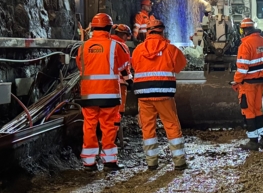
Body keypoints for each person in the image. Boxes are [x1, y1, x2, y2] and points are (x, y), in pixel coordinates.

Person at [76, 13, 132, 170]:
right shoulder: (115, 46)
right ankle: (109, 161)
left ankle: (89, 163)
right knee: (108, 126)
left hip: (88, 94)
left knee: (89, 126)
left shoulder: (83, 47)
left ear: (93, 28)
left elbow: (81, 67)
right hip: (109, 93)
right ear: (109, 28)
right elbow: (123, 67)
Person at [132, 15, 188, 170]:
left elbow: (135, 67)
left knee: (148, 127)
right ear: (162, 32)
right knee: (171, 124)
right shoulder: (171, 50)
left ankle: (152, 162)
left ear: (148, 32)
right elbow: (179, 66)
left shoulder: (138, 50)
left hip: (144, 95)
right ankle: (179, 161)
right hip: (164, 94)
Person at [233, 17, 263, 150]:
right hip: (260, 82)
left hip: (248, 84)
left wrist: (237, 81)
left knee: (248, 111)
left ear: (243, 30)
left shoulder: (245, 44)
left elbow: (242, 68)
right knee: (257, 110)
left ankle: (253, 141)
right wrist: (261, 74)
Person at [110, 24, 134, 142]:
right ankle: (113, 138)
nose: (127, 39)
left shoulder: (106, 43)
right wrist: (130, 81)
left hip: (103, 84)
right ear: (123, 35)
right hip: (119, 83)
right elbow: (124, 66)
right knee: (118, 112)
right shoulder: (121, 46)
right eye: (127, 36)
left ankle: (103, 137)